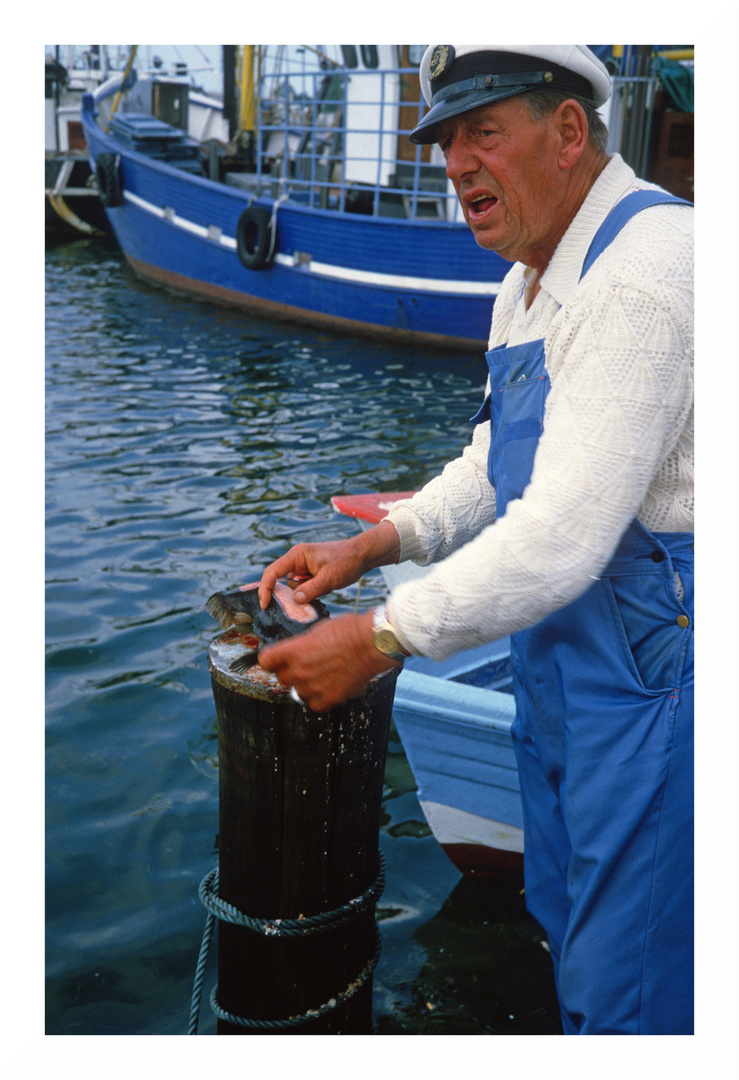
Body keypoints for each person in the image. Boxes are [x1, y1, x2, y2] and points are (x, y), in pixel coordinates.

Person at [257, 45, 694, 1035]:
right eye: (445, 138)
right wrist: (372, 549)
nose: (455, 162)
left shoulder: (644, 275)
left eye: (483, 131)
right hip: (560, 666)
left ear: (570, 133)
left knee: (634, 993)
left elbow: (558, 536)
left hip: (659, 678)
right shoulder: (527, 284)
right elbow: (498, 464)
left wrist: (374, 637)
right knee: (565, 923)